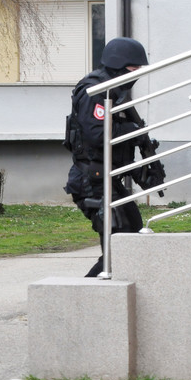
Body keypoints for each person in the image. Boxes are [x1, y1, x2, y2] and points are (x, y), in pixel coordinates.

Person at [64, 37, 161, 277]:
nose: (137, 73)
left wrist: (141, 169)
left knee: (134, 236)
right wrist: (132, 131)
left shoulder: (116, 92)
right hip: (91, 181)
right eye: (133, 68)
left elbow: (113, 147)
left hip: (107, 178)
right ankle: (87, 293)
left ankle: (98, 292)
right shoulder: (95, 90)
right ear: (118, 63)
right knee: (119, 245)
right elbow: (98, 135)